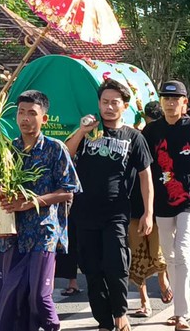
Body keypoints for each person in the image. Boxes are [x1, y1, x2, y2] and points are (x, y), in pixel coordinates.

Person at [66, 78, 154, 331]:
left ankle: (120, 314)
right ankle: (103, 320)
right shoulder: (88, 131)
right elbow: (67, 154)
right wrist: (82, 131)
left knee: (116, 265)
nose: (109, 107)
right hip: (84, 211)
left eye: (114, 102)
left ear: (124, 106)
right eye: (104, 102)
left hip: (116, 211)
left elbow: (145, 177)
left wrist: (148, 212)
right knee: (92, 269)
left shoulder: (133, 137)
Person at [0, 90, 81, 331]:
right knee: (12, 296)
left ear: (44, 118)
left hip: (43, 232)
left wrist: (31, 202)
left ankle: (53, 327)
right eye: (21, 112)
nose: (25, 118)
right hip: (13, 234)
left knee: (39, 296)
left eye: (32, 113)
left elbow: (68, 191)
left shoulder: (55, 148)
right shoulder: (8, 150)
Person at [142, 80, 190, 330]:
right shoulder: (151, 131)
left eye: (176, 99)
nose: (171, 103)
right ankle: (178, 307)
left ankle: (182, 313)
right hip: (161, 199)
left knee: (183, 249)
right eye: (166, 99)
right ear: (161, 102)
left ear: (185, 102)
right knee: (169, 253)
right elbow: (143, 169)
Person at [128, 101, 169, 319]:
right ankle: (144, 301)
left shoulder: (163, 140)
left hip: (156, 206)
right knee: (137, 254)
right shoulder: (129, 139)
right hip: (132, 205)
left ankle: (162, 282)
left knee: (157, 251)